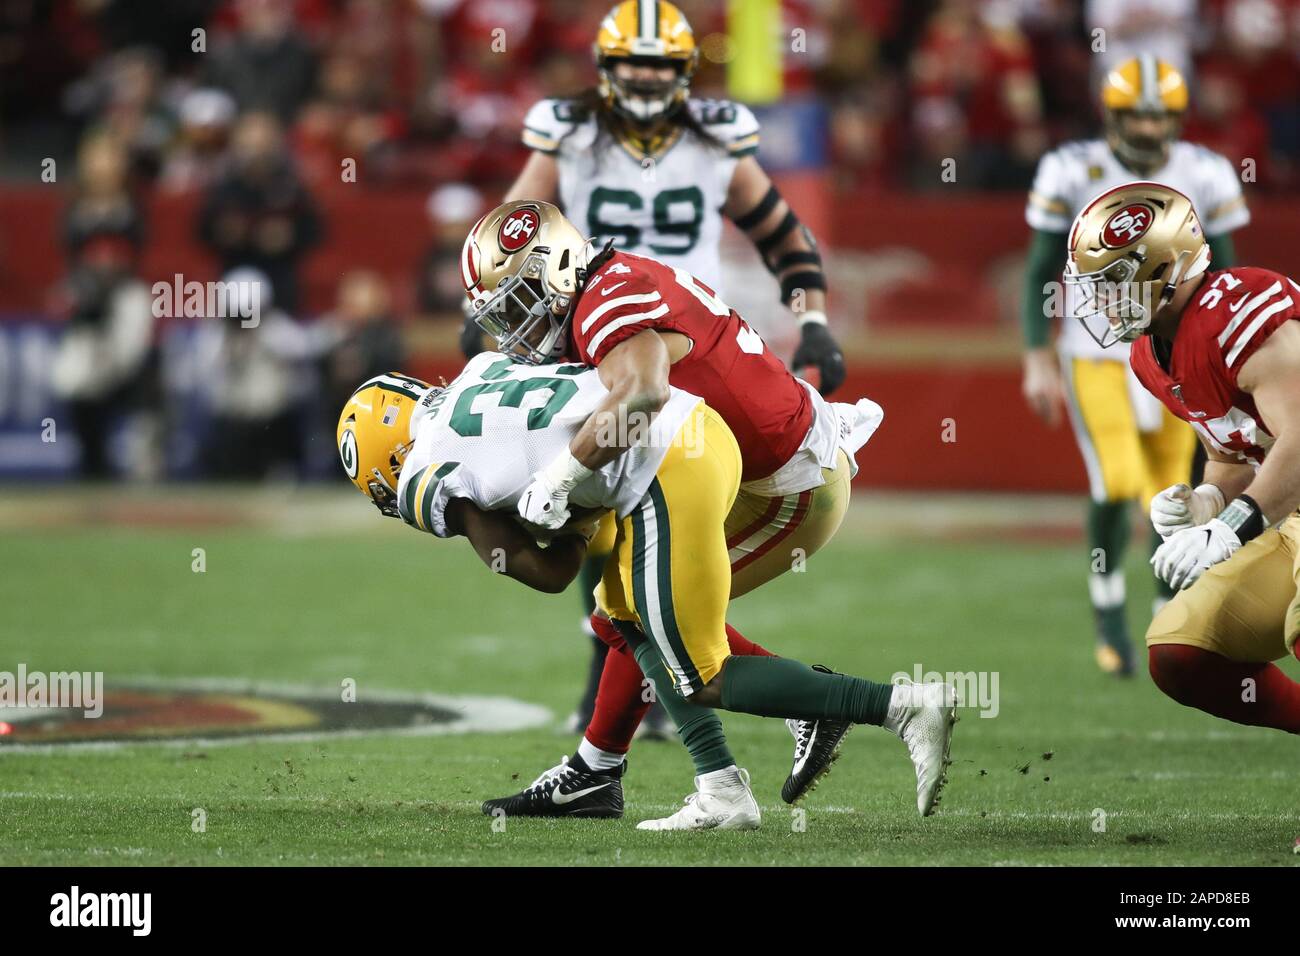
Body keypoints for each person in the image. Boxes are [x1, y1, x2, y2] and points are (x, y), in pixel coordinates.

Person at [335, 359, 958, 828]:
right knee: (624, 614)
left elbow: (544, 573)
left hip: (661, 467)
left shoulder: (422, 470)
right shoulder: (481, 369)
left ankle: (892, 705)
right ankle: (650, 779)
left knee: (696, 670)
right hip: (690, 430)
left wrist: (571, 530)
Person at [467, 0, 847, 735]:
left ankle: (644, 697)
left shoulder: (715, 140)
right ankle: (631, 693)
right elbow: (512, 226)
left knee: (632, 517)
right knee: (598, 504)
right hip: (586, 332)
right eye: (632, 64)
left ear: (686, 72)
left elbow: (780, 233)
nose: (644, 79)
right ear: (605, 70)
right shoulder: (569, 135)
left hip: (682, 337)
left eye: (660, 65)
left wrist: (815, 320)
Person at [462, 199, 884, 819]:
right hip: (755, 466)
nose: (516, 328)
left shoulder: (605, 301)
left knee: (638, 615)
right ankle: (597, 772)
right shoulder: (608, 283)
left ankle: (852, 707)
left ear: (554, 269)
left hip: (787, 483)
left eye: (520, 302)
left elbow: (645, 393)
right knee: (627, 610)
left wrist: (559, 477)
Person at [1019, 56, 1249, 675]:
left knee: (1171, 485)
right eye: (1136, 117)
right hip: (1096, 350)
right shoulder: (1071, 168)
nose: (1149, 131)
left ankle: (1171, 614)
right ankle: (1109, 611)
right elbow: (1041, 267)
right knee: (1117, 482)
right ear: (1111, 115)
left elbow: (1224, 272)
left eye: (1161, 117)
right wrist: (1037, 356)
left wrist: (1228, 353)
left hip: (1175, 348)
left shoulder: (1206, 171)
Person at [1064, 180, 1300, 733]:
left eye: (1113, 281)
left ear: (1165, 270)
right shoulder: (1152, 352)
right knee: (1182, 652)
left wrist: (1231, 530)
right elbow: (1236, 455)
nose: (1100, 300)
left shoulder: (1236, 312)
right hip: (1290, 516)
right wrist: (1208, 500)